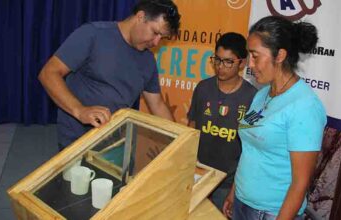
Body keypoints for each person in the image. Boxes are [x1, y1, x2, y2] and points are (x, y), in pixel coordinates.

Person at [38, 0, 180, 150]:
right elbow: (49, 73)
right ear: (140, 16)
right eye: (155, 32)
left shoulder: (148, 60)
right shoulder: (93, 34)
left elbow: (157, 105)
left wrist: (179, 139)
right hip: (77, 140)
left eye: (162, 38)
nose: (156, 42)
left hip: (116, 142)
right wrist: (80, 110)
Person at [223, 16, 327, 220]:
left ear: (280, 55)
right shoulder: (262, 94)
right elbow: (249, 150)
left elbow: (300, 183)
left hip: (271, 213)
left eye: (255, 56)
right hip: (243, 204)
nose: (249, 65)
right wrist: (235, 192)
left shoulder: (305, 106)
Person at [187, 32, 257, 210]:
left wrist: (235, 190)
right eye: (217, 59)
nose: (220, 66)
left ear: (242, 63)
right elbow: (192, 129)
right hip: (198, 175)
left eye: (228, 61)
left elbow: (250, 149)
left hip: (228, 184)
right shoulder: (203, 88)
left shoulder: (252, 97)